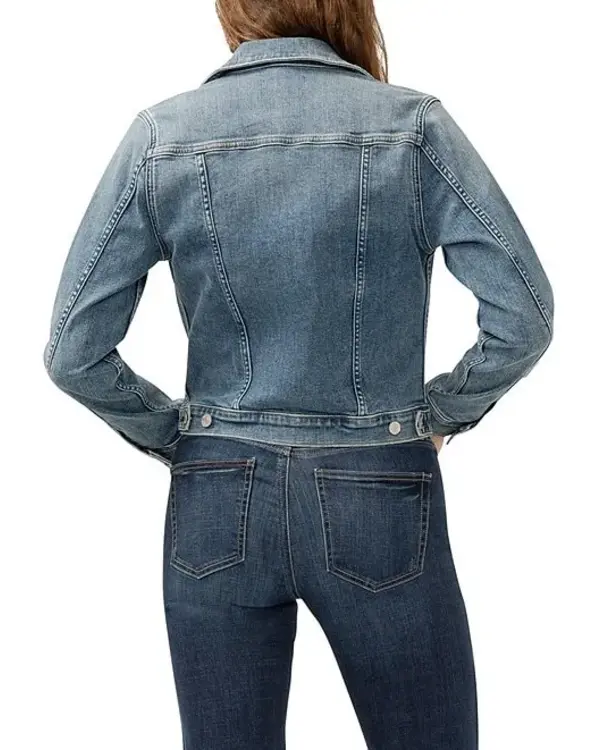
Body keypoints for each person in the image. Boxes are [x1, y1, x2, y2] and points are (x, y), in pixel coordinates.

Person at [42, 1, 554, 747]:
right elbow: (524, 315)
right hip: (377, 485)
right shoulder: (412, 128)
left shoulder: (163, 137)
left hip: (217, 493)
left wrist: (182, 437)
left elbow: (73, 351)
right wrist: (440, 415)